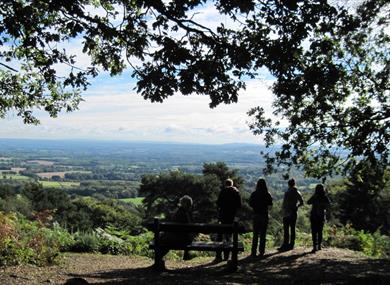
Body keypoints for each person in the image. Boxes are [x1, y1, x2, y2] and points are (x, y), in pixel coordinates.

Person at [156, 195, 194, 269]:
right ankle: (159, 258)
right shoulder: (185, 214)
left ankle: (158, 258)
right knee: (166, 241)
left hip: (177, 238)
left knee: (165, 240)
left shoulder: (177, 213)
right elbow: (188, 229)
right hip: (183, 239)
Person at [215, 178, 242, 261]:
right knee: (228, 236)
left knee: (220, 235)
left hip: (222, 216)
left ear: (225, 184)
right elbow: (239, 205)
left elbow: (218, 203)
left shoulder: (223, 191)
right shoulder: (236, 192)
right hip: (231, 217)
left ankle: (218, 256)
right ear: (232, 184)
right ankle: (227, 255)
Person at [249, 178, 273, 257]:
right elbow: (270, 203)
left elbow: (250, 203)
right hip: (264, 215)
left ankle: (253, 252)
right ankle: (261, 251)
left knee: (255, 234)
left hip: (256, 215)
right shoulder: (267, 193)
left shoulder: (254, 193)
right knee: (263, 234)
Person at [278, 178, 304, 251]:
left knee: (286, 229)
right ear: (294, 184)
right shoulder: (297, 192)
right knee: (293, 229)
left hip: (287, 212)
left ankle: (285, 244)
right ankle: (291, 245)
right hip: (294, 212)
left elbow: (284, 203)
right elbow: (302, 202)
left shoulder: (287, 192)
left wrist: (282, 211)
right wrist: (296, 206)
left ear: (288, 184)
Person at [307, 184, 330, 253]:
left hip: (314, 215)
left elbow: (308, 202)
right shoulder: (324, 197)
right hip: (321, 216)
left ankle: (314, 246)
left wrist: (314, 196)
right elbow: (328, 205)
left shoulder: (315, 196)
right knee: (320, 231)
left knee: (314, 231)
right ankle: (319, 245)